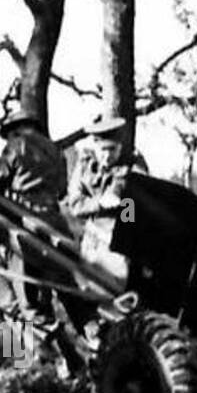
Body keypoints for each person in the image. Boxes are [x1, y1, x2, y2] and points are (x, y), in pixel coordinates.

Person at [0, 107, 85, 374]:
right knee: (70, 292)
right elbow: (64, 190)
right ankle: (94, 348)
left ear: (14, 129)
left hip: (25, 224)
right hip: (57, 223)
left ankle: (60, 357)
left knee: (29, 299)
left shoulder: (15, 145)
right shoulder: (56, 151)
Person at [65, 113, 148, 285]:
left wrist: (124, 204)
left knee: (115, 294)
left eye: (113, 149)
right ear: (95, 146)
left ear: (120, 147)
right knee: (89, 293)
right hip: (92, 243)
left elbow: (134, 212)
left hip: (118, 245)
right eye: (104, 150)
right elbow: (75, 205)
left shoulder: (133, 167)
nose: (108, 156)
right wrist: (100, 203)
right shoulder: (85, 167)